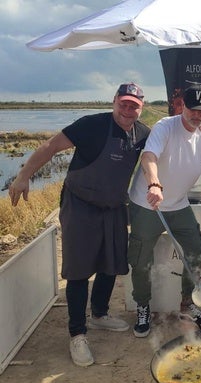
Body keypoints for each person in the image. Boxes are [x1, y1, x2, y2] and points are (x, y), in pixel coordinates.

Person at [8, 83, 150, 367]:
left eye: (133, 105)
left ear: (141, 108)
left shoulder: (143, 133)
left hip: (113, 207)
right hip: (80, 205)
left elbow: (157, 157)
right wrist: (23, 176)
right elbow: (51, 146)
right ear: (114, 102)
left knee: (112, 262)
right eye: (123, 103)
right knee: (78, 269)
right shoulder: (91, 125)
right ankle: (77, 333)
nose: (127, 109)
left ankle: (99, 315)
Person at [127, 84, 201, 337]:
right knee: (140, 259)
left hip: (178, 205)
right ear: (182, 106)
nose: (197, 116)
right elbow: (148, 157)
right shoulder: (165, 126)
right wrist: (153, 183)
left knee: (197, 249)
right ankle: (143, 306)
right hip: (147, 203)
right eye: (193, 109)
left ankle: (188, 304)